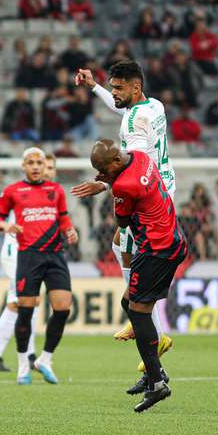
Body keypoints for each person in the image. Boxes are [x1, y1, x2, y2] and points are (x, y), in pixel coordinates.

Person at [72, 61, 176, 374]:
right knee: (121, 246)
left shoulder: (133, 127)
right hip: (166, 184)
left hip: (148, 195)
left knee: (128, 249)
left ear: (135, 86)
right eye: (112, 87)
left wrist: (103, 183)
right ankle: (142, 319)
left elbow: (136, 164)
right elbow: (125, 112)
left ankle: (144, 322)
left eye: (118, 87)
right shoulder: (152, 106)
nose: (114, 92)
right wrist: (94, 87)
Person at [88, 140, 187, 412]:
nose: (101, 174)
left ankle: (157, 382)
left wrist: (109, 187)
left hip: (155, 249)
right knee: (129, 304)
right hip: (175, 241)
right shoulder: (141, 157)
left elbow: (122, 223)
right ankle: (153, 369)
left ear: (116, 163)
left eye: (102, 169)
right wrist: (108, 179)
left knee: (139, 312)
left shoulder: (122, 186)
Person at [0, 148, 78, 385]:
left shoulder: (56, 190)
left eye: (40, 162)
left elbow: (63, 217)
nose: (36, 166)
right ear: (23, 166)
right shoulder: (13, 191)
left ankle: (45, 359)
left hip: (55, 255)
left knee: (63, 308)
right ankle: (22, 366)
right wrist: (5, 227)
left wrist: (69, 229)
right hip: (29, 256)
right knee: (26, 311)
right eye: (31, 162)